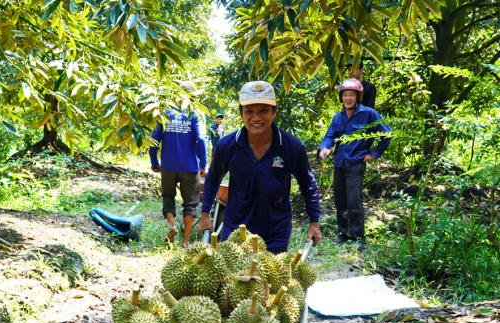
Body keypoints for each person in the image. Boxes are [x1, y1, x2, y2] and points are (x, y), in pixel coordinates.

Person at [199, 81, 322, 253]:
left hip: (275, 233)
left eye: (263, 111)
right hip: (235, 229)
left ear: (274, 111)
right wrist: (205, 215)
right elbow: (213, 178)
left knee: (270, 280)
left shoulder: (292, 147)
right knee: (233, 279)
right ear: (241, 113)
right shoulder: (227, 145)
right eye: (249, 112)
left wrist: (314, 223)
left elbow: (308, 185)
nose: (256, 118)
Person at [318, 78, 392, 249]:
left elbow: (386, 134)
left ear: (358, 96)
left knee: (354, 200)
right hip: (339, 163)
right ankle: (345, 234)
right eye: (345, 95)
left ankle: (359, 237)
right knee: (340, 200)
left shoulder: (369, 114)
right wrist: (325, 148)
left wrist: (374, 154)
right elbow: (330, 136)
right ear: (341, 97)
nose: (348, 98)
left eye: (352, 95)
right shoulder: (338, 117)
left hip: (356, 163)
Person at [149, 81, 208, 247]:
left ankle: (172, 226)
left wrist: (155, 162)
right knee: (190, 204)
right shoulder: (195, 114)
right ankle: (186, 241)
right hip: (190, 167)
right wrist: (202, 164)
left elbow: (153, 141)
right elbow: (201, 140)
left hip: (168, 165)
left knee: (168, 197)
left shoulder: (164, 113)